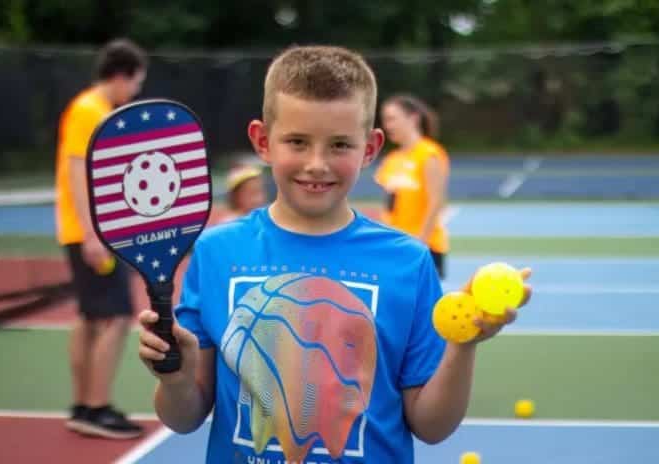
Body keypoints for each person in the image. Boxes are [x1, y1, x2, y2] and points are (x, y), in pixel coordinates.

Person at [138, 45, 531, 463]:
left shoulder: (408, 262)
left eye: (340, 145)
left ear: (370, 149)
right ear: (263, 142)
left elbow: (432, 427)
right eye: (297, 142)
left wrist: (463, 344)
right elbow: (183, 418)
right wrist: (177, 381)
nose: (317, 164)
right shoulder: (217, 251)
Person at [55, 38, 147, 439]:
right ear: (122, 76)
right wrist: (94, 235)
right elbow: (78, 174)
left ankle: (83, 405)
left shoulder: (91, 109)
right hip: (92, 233)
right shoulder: (90, 111)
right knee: (116, 317)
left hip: (86, 230)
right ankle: (95, 408)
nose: (137, 91)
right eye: (136, 82)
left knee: (92, 319)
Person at [374, 95, 450, 279]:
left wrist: (420, 243)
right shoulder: (392, 160)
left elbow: (436, 202)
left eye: (392, 118)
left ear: (413, 118)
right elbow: (390, 206)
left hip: (425, 247)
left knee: (424, 306)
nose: (387, 125)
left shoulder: (429, 154)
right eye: (385, 120)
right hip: (397, 246)